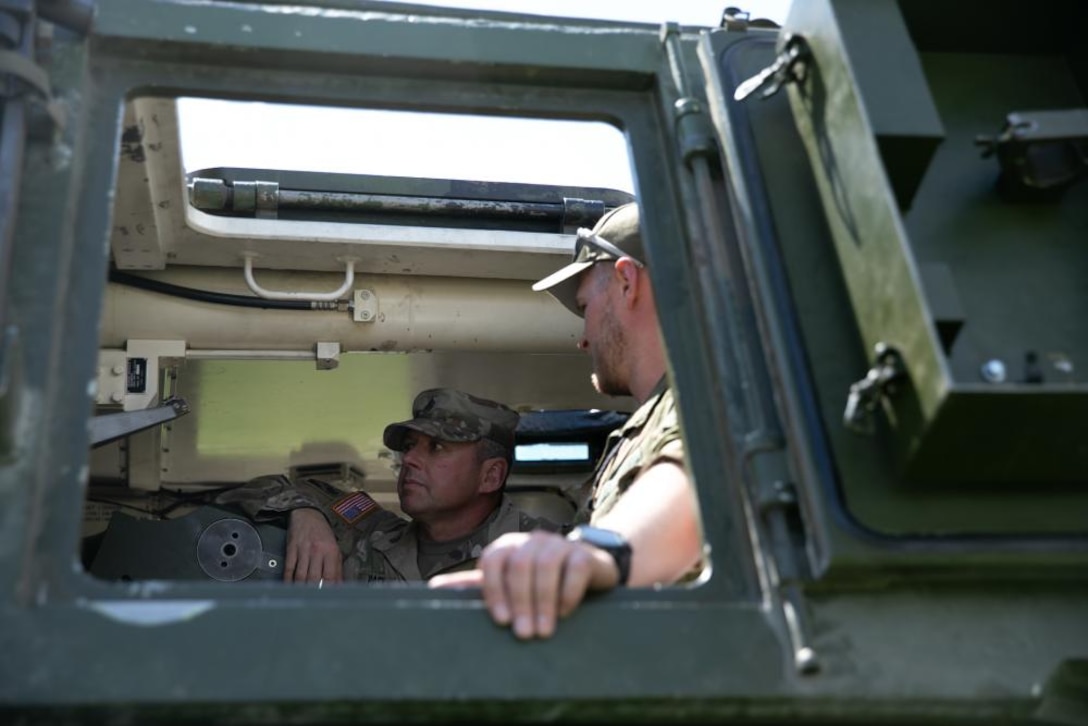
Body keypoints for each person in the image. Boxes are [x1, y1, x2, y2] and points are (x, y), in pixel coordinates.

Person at [430, 202, 704, 639]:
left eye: (585, 306)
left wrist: (599, 556)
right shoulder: (648, 421)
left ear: (627, 282)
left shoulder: (709, 398)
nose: (582, 339)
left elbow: (694, 485)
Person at [216, 388, 557, 583]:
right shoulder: (372, 533)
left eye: (436, 448)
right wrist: (303, 512)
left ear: (491, 476)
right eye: (410, 446)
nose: (409, 460)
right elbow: (255, 490)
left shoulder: (550, 555)